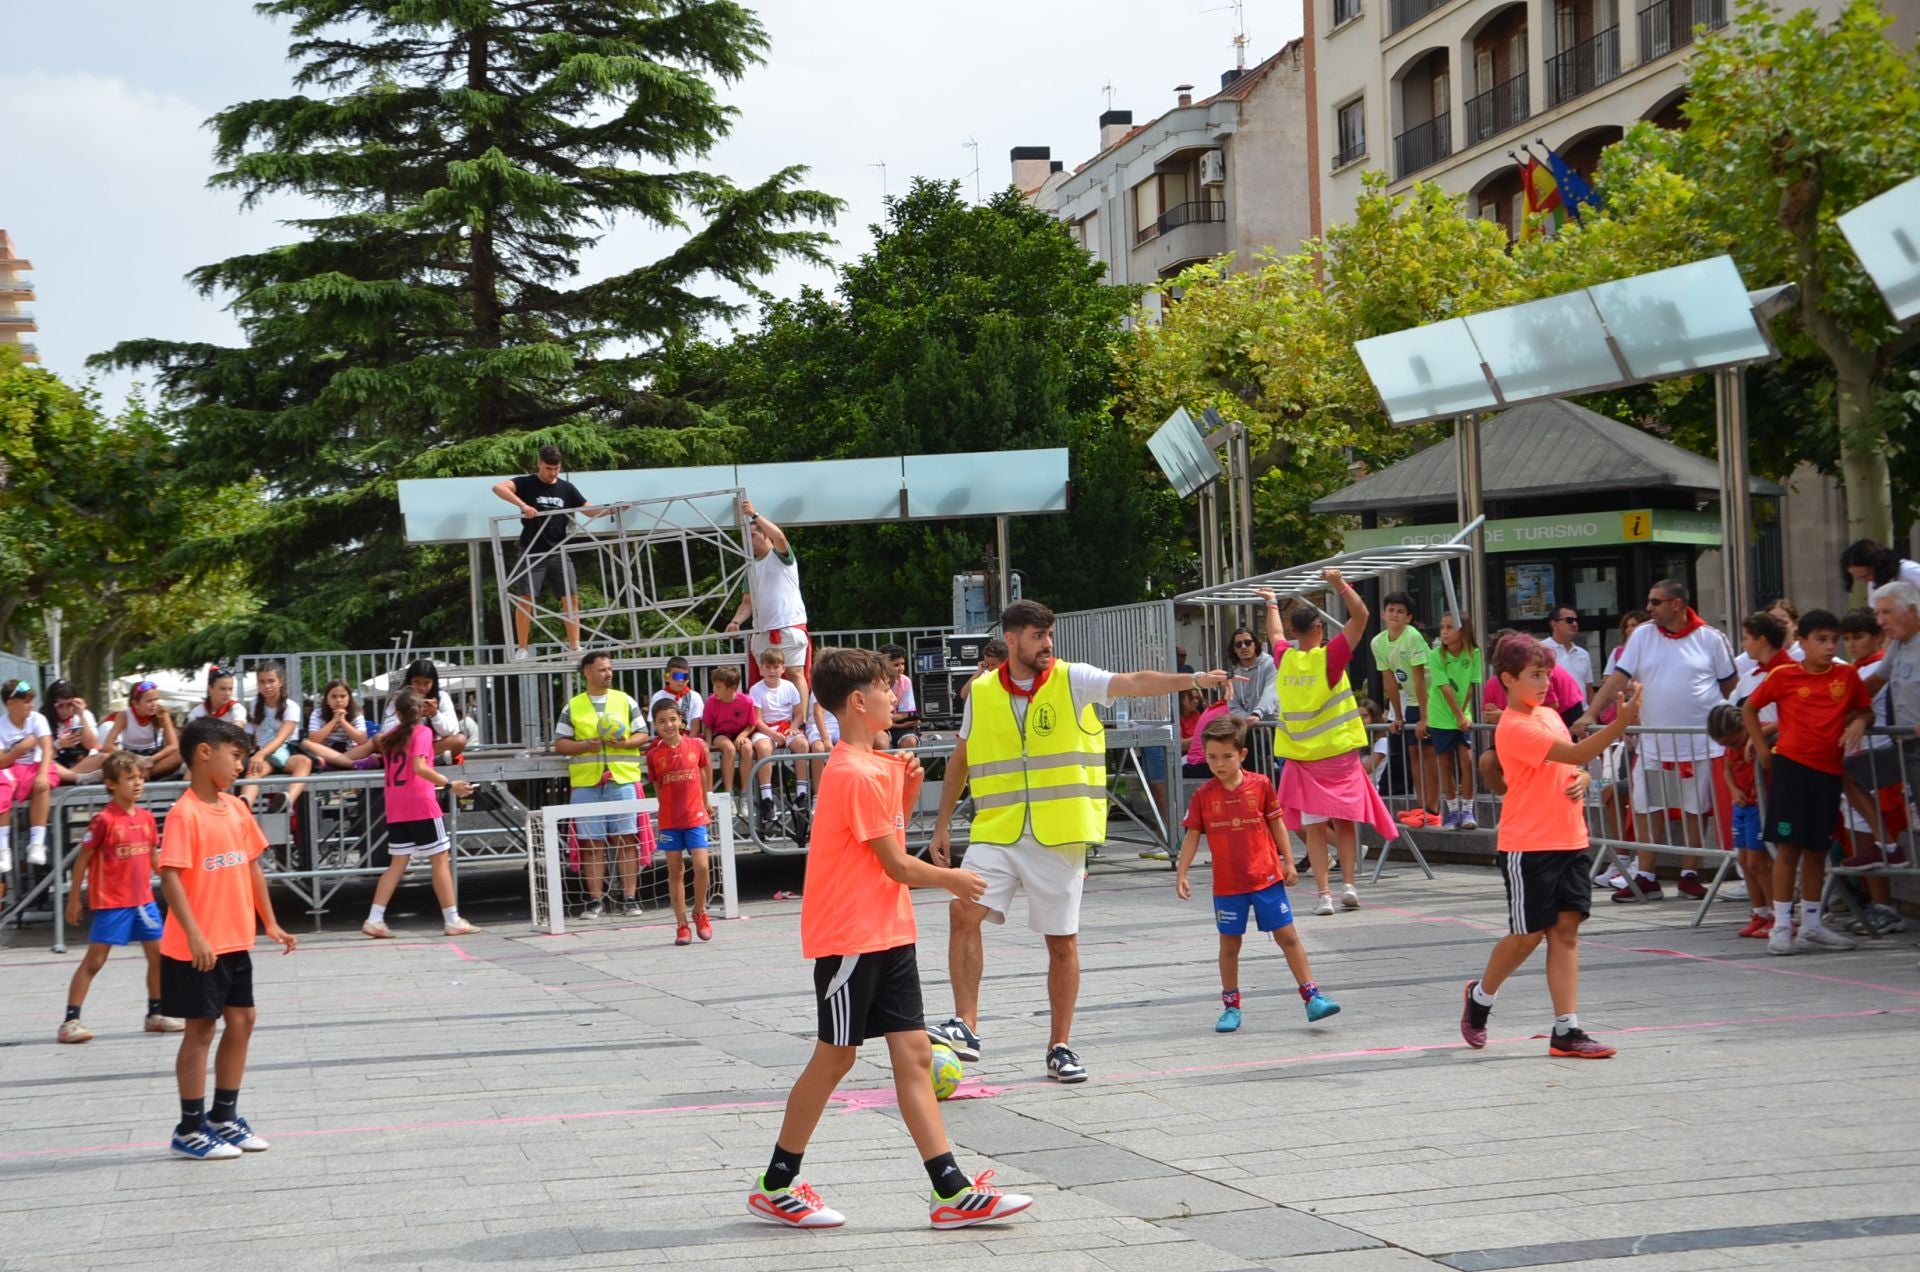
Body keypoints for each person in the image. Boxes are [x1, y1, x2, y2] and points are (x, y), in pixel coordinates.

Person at [747, 647, 1033, 1232]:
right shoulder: (852, 772)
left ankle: (950, 1190)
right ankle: (776, 1184)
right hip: (852, 937)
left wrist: (904, 793)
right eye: (885, 687)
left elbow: (886, 844)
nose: (893, 695)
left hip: (889, 931)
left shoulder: (875, 766)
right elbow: (897, 866)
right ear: (859, 702)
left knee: (916, 1054)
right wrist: (954, 878)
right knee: (836, 1057)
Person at [926, 600, 1231, 1083]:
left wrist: (1191, 679)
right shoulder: (981, 692)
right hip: (998, 829)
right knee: (962, 910)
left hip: (1059, 834)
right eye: (1037, 636)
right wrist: (942, 823)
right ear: (1012, 640)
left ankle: (1059, 1047)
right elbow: (961, 759)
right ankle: (967, 1025)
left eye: (1049, 635)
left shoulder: (1074, 678)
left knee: (1061, 943)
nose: (1047, 644)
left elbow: (1134, 682)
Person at [1460, 635, 1641, 1060]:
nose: (1545, 683)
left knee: (1566, 933)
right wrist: (1621, 722)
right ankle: (1481, 997)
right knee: (1527, 935)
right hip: (1529, 844)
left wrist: (1584, 777)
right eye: (1535, 675)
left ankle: (1567, 1029)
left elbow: (1572, 763)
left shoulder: (1549, 715)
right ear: (1508, 679)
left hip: (1570, 837)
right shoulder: (1514, 725)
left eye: (1547, 674)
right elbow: (1576, 751)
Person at [157, 715, 298, 1160]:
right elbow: (170, 878)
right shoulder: (184, 814)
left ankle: (224, 1117)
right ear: (204, 752)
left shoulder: (236, 808)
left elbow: (252, 866)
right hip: (198, 946)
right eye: (235, 756)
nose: (241, 766)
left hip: (235, 940)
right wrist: (195, 934)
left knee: (243, 1020)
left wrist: (270, 921)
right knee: (201, 1030)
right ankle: (189, 1127)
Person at [1176, 715, 1341, 1034]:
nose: (1219, 764)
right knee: (1229, 945)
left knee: (1287, 937)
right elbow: (1192, 836)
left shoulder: (1261, 785)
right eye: (1212, 757)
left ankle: (1312, 997)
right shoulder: (1203, 796)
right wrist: (1181, 873)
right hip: (1227, 886)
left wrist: (1289, 861)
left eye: (1226, 756)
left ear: (1242, 755)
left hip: (1266, 878)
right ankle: (1231, 1007)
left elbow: (1277, 824)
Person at [1581, 579, 1737, 903]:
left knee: (1695, 808)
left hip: (1699, 743)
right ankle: (1647, 876)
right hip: (1655, 743)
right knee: (1647, 806)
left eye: (1655, 602)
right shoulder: (1643, 635)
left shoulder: (1711, 638)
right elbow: (1618, 678)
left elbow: (1730, 687)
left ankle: (1690, 874)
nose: (1649, 608)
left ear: (1677, 604)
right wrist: (1591, 713)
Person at [1257, 576, 1399, 915]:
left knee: (1315, 829)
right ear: (1320, 628)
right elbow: (1361, 617)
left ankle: (1324, 895)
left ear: (1295, 631)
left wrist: (1271, 602)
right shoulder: (1330, 659)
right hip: (1338, 757)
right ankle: (1349, 885)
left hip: (1305, 759)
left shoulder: (1286, 660)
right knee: (1346, 824)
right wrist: (1340, 584)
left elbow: (1275, 635)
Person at [1744, 609, 1871, 955]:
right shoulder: (1784, 675)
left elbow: (1865, 709)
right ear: (1802, 642)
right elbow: (1750, 709)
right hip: (1792, 770)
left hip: (1828, 772)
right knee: (1789, 849)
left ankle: (1813, 925)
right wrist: (1762, 749)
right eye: (1821, 639)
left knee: (1818, 850)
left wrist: (1860, 721)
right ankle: (1782, 925)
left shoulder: (1847, 675)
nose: (1830, 646)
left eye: (1835, 640)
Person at [59, 752, 185, 1042]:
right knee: (95, 961)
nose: (138, 783)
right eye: (130, 778)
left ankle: (155, 1014)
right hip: (112, 903)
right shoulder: (103, 820)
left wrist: (178, 883)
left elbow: (154, 858)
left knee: (159, 957)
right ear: (111, 784)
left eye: (140, 777)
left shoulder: (146, 817)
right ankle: (70, 1022)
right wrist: (74, 899)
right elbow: (82, 860)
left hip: (144, 902)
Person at [361, 690, 480, 939]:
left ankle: (374, 918)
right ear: (422, 710)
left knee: (397, 864)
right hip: (420, 804)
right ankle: (452, 919)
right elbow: (419, 767)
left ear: (398, 713)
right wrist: (450, 784)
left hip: (396, 805)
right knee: (440, 859)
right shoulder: (422, 733)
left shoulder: (390, 737)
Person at [553, 652, 648, 920]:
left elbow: (643, 734)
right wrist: (584, 745)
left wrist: (625, 743)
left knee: (626, 839)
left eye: (610, 669)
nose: (608, 673)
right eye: (602, 669)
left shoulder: (625, 700)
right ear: (587, 672)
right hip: (587, 783)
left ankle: (629, 898)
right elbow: (560, 743)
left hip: (622, 779)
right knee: (591, 844)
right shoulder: (573, 706)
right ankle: (595, 901)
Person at [492, 444, 609, 658]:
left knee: (571, 597)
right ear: (539, 464)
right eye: (548, 468)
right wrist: (523, 505)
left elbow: (589, 510)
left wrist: (611, 510)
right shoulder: (527, 483)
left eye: (556, 469)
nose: (552, 473)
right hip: (532, 550)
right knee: (526, 597)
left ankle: (575, 647)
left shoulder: (566, 488)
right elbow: (498, 488)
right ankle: (522, 648)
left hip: (559, 551)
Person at [1847, 581, 1920, 874]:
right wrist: (1835, 714)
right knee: (1847, 773)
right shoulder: (1899, 645)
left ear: (1912, 610)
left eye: (1886, 612)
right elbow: (1874, 683)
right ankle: (1889, 848)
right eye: (1877, 613)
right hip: (1904, 747)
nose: (1880, 621)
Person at [725, 497, 814, 733]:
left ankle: (801, 722)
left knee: (795, 673)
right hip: (762, 629)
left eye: (753, 535)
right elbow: (747, 602)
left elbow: (780, 538)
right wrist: (736, 621)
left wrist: (754, 515)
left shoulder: (780, 555)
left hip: (789, 624)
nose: (750, 541)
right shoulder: (751, 568)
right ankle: (762, 726)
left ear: (765, 535)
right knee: (763, 680)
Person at [647, 697, 715, 946]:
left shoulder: (696, 745)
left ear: (681, 720)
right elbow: (658, 787)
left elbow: (703, 773)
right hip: (670, 820)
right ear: (655, 725)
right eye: (662, 721)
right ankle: (681, 924)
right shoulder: (654, 755)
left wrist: (705, 802)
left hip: (695, 815)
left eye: (673, 719)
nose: (669, 725)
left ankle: (700, 911)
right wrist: (664, 811)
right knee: (675, 870)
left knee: (702, 866)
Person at [1708, 703, 1772, 938]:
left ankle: (1777, 914)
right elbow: (1727, 769)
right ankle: (1759, 913)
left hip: (1761, 805)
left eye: (1734, 742)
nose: (1732, 748)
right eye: (1725, 745)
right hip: (1742, 805)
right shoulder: (1730, 748)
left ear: (1744, 727)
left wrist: (1756, 735)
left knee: (1758, 862)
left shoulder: (1760, 731)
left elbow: (1785, 723)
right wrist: (1734, 790)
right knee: (1745, 862)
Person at [1372, 592, 1433, 827]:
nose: (1394, 615)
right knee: (1413, 751)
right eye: (1391, 610)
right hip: (1412, 698)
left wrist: (1424, 717)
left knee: (1429, 752)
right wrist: (1397, 715)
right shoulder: (1378, 642)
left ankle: (1433, 807)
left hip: (1433, 695)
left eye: (1400, 611)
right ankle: (1421, 805)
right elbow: (1389, 681)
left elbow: (1420, 678)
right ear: (1383, 614)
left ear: (1408, 617)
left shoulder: (1412, 637)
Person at [1420, 612, 1482, 830]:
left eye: (1449, 627)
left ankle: (1468, 809)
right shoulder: (1436, 655)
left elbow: (1472, 684)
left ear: (1462, 631)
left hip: (1462, 716)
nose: (1444, 632)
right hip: (1441, 716)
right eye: (1442, 627)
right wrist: (1458, 714)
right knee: (1445, 764)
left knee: (1467, 760)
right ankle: (1453, 810)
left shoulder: (1474, 654)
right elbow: (1444, 687)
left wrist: (1463, 713)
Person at [749, 648, 812, 835]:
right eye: (768, 667)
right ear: (761, 669)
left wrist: (793, 726)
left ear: (783, 668)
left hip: (786, 726)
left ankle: (801, 793)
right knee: (763, 747)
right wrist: (772, 734)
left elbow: (799, 713)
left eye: (776, 667)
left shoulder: (789, 686)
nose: (772, 671)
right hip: (766, 728)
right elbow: (757, 720)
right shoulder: (756, 689)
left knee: (802, 744)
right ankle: (767, 798)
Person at [0, 679, 57, 871]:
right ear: (10, 703)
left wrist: (42, 774)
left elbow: (48, 749)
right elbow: (1, 762)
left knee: (43, 785)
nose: (31, 705)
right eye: (26, 701)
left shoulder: (37, 719)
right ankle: (2, 848)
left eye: (31, 701)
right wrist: (20, 748)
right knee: (1, 790)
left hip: (35, 766)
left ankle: (37, 843)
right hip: (11, 769)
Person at [243, 662, 312, 811]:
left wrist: (260, 754)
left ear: (280, 682)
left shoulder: (291, 706)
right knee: (254, 768)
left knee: (304, 762)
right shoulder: (253, 705)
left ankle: (287, 800)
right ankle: (244, 803)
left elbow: (282, 737)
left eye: (271, 681)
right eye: (262, 682)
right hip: (264, 758)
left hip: (286, 754)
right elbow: (247, 734)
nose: (267, 686)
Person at [704, 666, 771, 806]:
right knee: (729, 749)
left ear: (732, 688)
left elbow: (751, 724)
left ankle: (744, 793)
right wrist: (709, 745)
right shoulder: (711, 701)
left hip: (740, 732)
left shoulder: (746, 701)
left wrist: (742, 735)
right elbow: (708, 726)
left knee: (747, 748)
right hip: (720, 734)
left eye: (719, 687)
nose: (714, 690)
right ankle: (728, 794)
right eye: (714, 686)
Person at [380, 660, 467, 760]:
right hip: (406, 745)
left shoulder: (442, 696)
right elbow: (387, 730)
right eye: (417, 682)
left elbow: (451, 731)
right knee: (378, 739)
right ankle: (430, 760)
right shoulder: (399, 697)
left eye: (427, 683)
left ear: (433, 682)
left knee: (460, 740)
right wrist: (411, 716)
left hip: (431, 746)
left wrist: (434, 714)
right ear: (410, 681)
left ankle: (419, 759)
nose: (421, 688)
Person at [99, 679, 182, 780]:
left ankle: (141, 774)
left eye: (156, 700)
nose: (154, 704)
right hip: (130, 756)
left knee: (179, 756)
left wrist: (151, 759)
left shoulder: (162, 714)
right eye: (149, 701)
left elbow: (173, 746)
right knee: (104, 758)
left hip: (155, 757)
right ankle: (139, 773)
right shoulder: (124, 716)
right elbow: (108, 745)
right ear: (136, 704)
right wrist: (135, 759)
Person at [45, 680, 102, 782]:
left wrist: (81, 715)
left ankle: (67, 776)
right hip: (56, 764)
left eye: (69, 705)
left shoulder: (84, 714)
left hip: (81, 762)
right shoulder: (43, 719)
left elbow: (91, 745)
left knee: (106, 758)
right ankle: (74, 777)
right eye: (60, 706)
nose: (65, 710)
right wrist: (58, 745)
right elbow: (41, 753)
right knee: (43, 762)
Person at [300, 680, 368, 765]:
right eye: (334, 696)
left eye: (342, 696)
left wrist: (343, 721)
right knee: (306, 743)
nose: (338, 700)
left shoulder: (356, 713)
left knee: (372, 742)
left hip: (351, 751)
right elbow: (313, 739)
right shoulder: (317, 713)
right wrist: (334, 720)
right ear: (327, 700)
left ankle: (333, 763)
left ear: (349, 698)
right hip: (326, 751)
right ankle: (351, 764)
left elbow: (362, 740)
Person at [1545, 605, 1595, 702]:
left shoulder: (1583, 654)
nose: (1575, 624)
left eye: (1576, 620)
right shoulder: (1540, 650)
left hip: (1582, 709)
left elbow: (1589, 689)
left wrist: (1592, 710)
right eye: (1569, 620)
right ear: (1554, 624)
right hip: (1554, 710)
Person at [649, 655, 705, 738]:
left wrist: (687, 743)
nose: (681, 680)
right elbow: (655, 724)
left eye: (685, 677)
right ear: (666, 677)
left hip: (689, 737)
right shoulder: (658, 697)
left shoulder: (695, 697)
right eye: (677, 676)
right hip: (665, 737)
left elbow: (696, 727)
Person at [1840, 538, 1920, 595]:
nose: (1865, 581)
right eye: (1859, 578)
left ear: (1879, 565)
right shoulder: (1874, 583)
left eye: (1867, 575)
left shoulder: (1910, 572)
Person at [879, 643, 921, 749]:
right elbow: (875, 718)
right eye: (896, 665)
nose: (901, 668)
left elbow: (905, 713)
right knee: (881, 742)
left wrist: (900, 722)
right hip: (879, 726)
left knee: (910, 741)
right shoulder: (873, 682)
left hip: (897, 724)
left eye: (903, 664)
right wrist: (901, 723)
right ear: (883, 665)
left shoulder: (905, 681)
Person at [186, 666, 249, 731]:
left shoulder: (237, 709)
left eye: (230, 689)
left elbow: (236, 731)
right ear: (210, 689)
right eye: (223, 689)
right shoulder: (197, 713)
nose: (228, 693)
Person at [958, 638, 1009, 702]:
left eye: (993, 665)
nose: (989, 667)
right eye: (987, 663)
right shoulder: (985, 674)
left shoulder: (1013, 677)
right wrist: (979, 672)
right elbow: (964, 695)